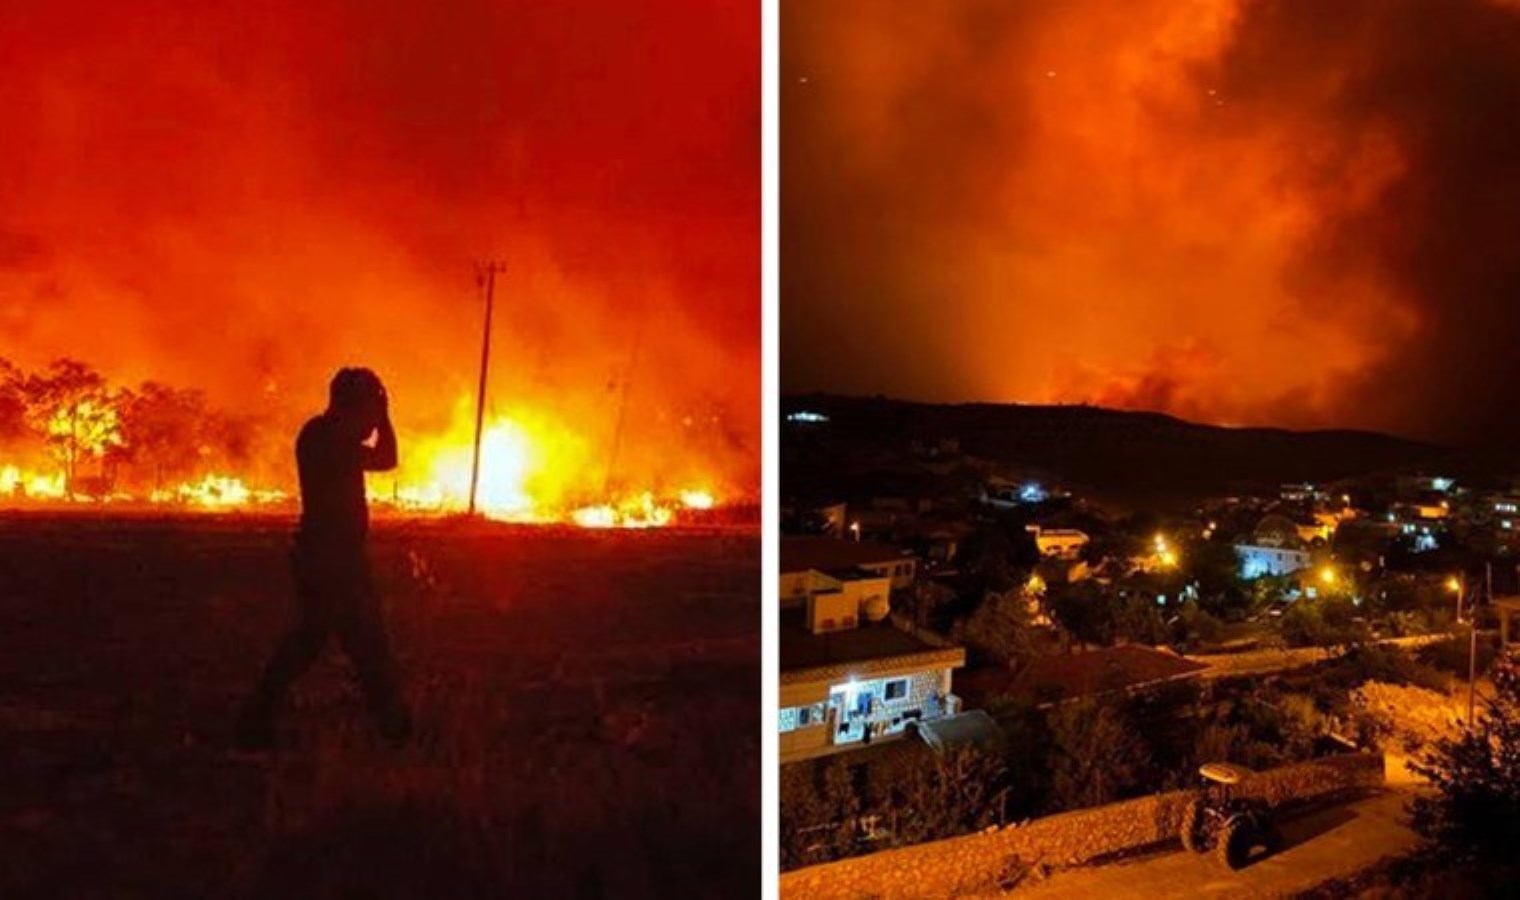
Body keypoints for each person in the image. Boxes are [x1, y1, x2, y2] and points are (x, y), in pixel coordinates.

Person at [237, 367, 411, 749]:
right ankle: (393, 726)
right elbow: (385, 458)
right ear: (351, 405)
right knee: (354, 643)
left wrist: (379, 415)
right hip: (330, 560)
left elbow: (385, 458)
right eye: (367, 409)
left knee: (332, 642)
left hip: (337, 558)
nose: (370, 421)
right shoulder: (325, 437)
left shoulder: (327, 435)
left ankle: (392, 724)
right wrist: (384, 417)